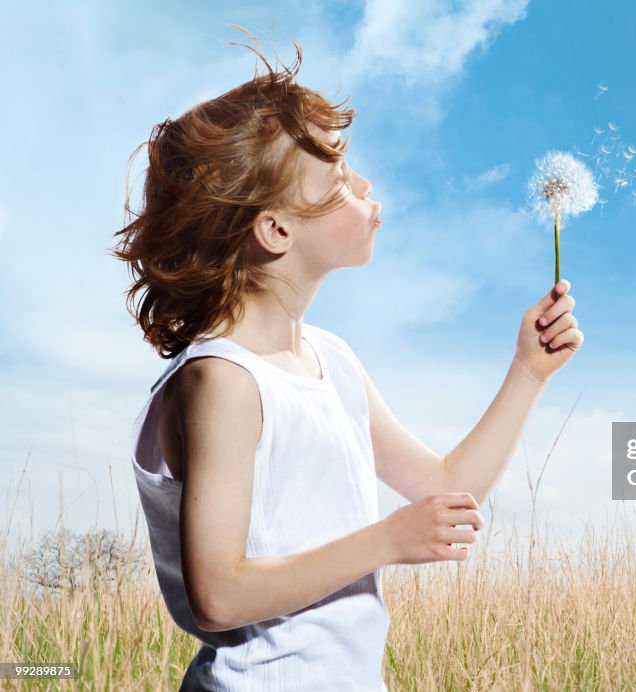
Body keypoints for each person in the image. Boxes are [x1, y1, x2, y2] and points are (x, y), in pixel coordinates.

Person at [110, 35, 583, 691]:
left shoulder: (331, 359)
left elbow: (447, 486)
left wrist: (527, 371)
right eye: (336, 181)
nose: (364, 185)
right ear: (275, 230)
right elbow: (218, 592)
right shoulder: (221, 380)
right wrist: (386, 541)